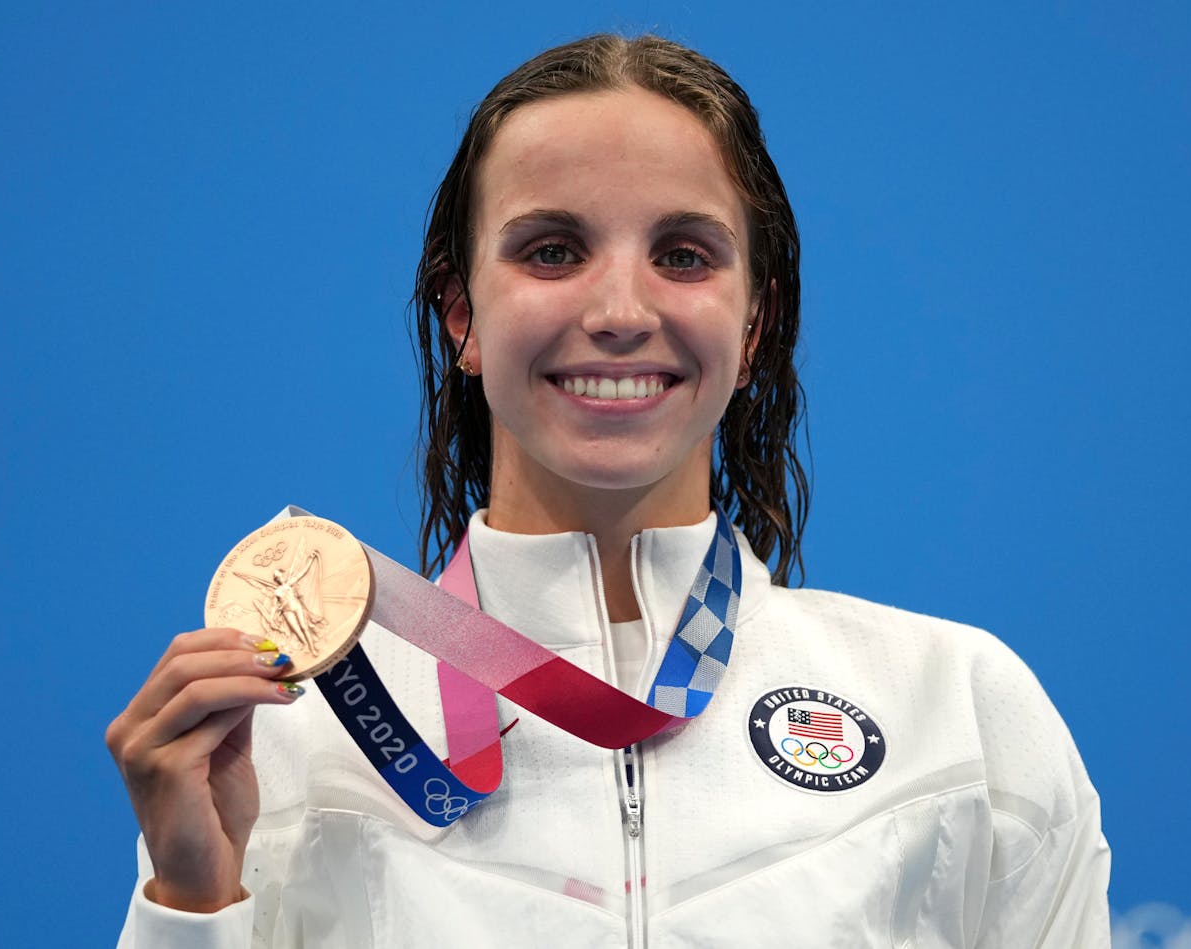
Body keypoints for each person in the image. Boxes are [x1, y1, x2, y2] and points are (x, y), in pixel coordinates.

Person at [108, 33, 1111, 948]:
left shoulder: (957, 708)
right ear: (461, 314)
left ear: (753, 322)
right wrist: (192, 908)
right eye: (552, 250)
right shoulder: (288, 736)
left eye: (682, 255)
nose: (620, 310)